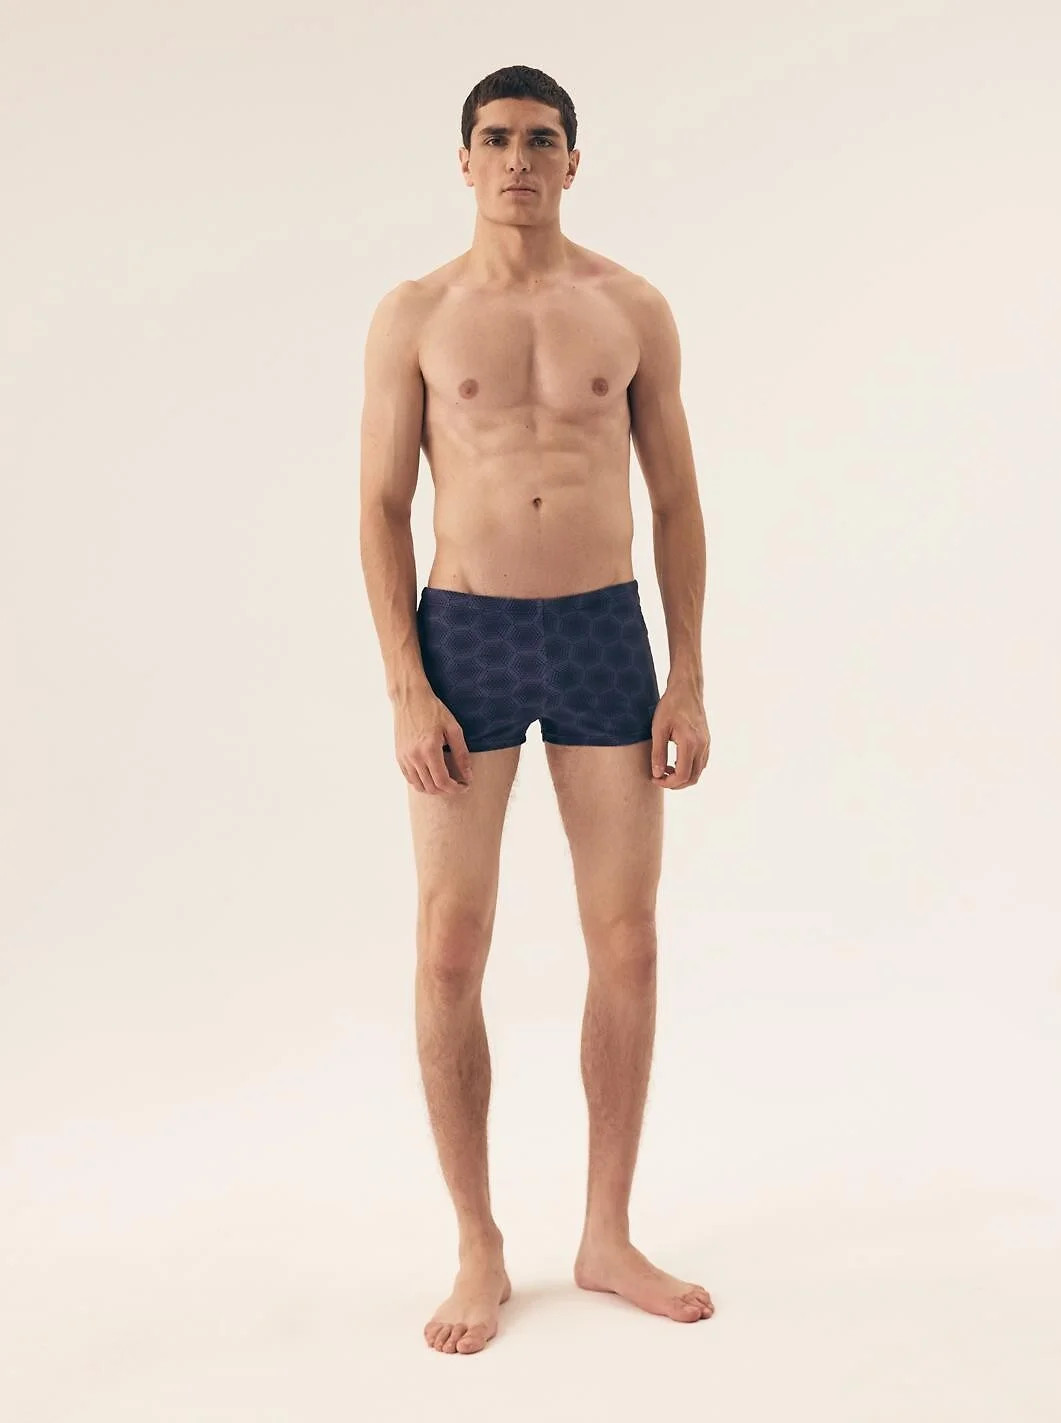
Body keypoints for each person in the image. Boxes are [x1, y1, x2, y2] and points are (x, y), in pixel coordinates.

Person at [359, 65, 713, 1355]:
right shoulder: (415, 314)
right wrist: (407, 685)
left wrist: (686, 673)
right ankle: (478, 1242)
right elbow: (379, 506)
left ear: (573, 159)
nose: (520, 158)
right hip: (467, 639)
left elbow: (676, 500)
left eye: (542, 139)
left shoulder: (631, 307)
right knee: (451, 947)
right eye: (498, 138)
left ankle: (605, 1234)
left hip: (604, 633)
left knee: (629, 942)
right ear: (465, 160)